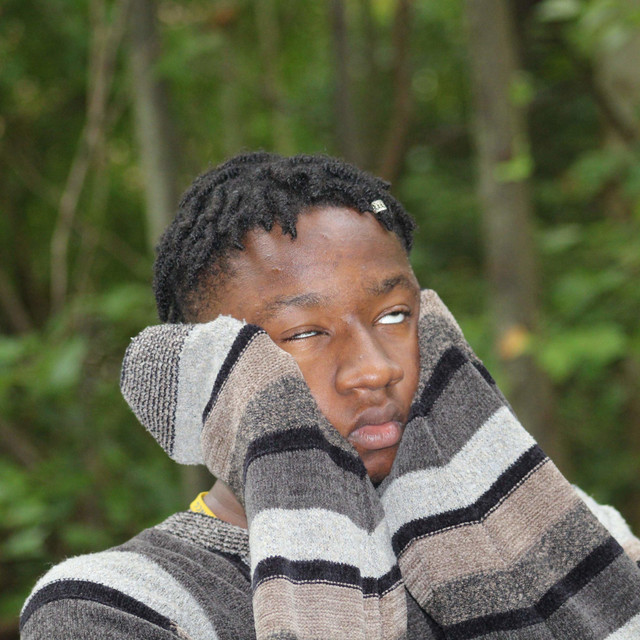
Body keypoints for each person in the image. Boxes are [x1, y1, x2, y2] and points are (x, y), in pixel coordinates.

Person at [20, 152, 640, 639]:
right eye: (305, 333)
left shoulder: (554, 529)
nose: (375, 370)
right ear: (209, 372)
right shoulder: (116, 605)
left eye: (395, 316)